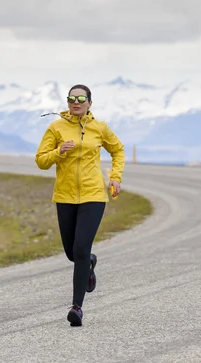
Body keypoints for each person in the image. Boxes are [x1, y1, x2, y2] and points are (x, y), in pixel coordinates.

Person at [35, 84, 125, 327]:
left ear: (89, 102)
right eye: (71, 98)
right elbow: (41, 161)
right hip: (64, 197)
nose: (76, 102)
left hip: (93, 195)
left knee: (81, 248)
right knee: (71, 253)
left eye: (81, 98)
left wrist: (115, 177)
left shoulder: (100, 128)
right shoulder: (56, 128)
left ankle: (77, 307)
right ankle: (89, 264)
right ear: (67, 102)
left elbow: (118, 151)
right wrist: (58, 152)